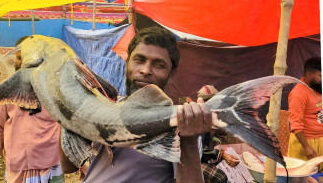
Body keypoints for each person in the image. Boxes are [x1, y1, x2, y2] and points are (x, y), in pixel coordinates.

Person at [61, 27, 212, 183]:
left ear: (171, 75)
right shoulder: (105, 108)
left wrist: (189, 141)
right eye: (139, 60)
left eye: (158, 65)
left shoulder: (177, 124)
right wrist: (68, 114)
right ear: (127, 64)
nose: (146, 70)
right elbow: (69, 167)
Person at [0, 37, 64, 183]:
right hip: (18, 166)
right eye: (18, 58)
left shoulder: (54, 89)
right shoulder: (5, 90)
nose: (20, 63)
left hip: (51, 164)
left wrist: (80, 162)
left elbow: (66, 126)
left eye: (24, 58)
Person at [198, 85, 240, 183]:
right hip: (190, 162)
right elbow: (198, 150)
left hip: (204, 158)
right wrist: (222, 156)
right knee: (220, 177)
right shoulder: (197, 121)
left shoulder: (213, 117)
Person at [287, 57, 323, 171]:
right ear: (309, 74)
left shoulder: (319, 88)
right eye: (320, 76)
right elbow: (295, 124)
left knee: (319, 175)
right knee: (302, 175)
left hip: (320, 139)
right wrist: (306, 147)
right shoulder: (298, 93)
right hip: (304, 143)